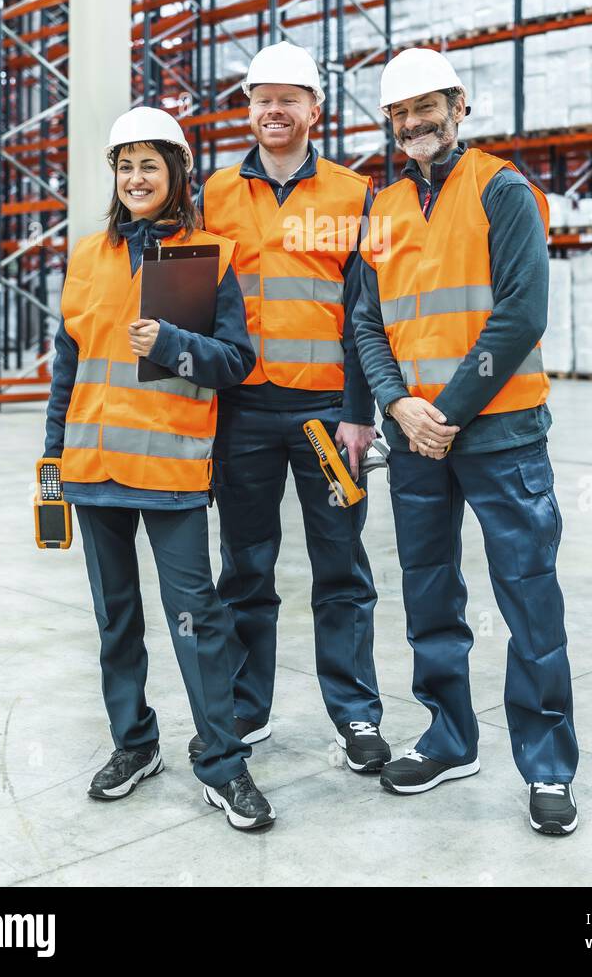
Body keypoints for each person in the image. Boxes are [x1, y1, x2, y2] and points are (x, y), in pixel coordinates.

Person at [353, 46, 579, 835]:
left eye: (426, 108)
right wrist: (397, 404)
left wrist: (441, 411)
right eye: (400, 114)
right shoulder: (380, 208)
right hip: (417, 436)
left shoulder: (503, 190)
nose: (414, 123)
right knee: (429, 592)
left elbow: (521, 314)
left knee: (528, 596)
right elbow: (366, 324)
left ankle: (548, 765)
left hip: (502, 434)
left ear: (459, 105)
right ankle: (450, 737)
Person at [43, 105, 275, 831]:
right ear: (114, 176)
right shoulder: (88, 256)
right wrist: (52, 461)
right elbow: (67, 366)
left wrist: (174, 342)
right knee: (116, 620)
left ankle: (223, 764)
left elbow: (237, 362)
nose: (137, 177)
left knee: (196, 619)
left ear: (177, 173)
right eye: (126, 165)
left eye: (151, 164)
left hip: (171, 473)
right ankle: (133, 744)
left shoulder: (209, 254)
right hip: (92, 468)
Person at [188, 41, 390, 774]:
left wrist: (361, 410)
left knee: (342, 566)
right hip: (240, 412)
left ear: (315, 109)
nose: (273, 110)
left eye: (288, 98)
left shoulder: (352, 194)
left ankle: (357, 715)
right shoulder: (211, 195)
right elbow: (188, 305)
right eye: (260, 98)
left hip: (329, 413)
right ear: (248, 109)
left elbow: (366, 311)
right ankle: (247, 707)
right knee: (245, 568)